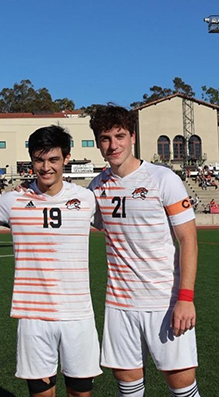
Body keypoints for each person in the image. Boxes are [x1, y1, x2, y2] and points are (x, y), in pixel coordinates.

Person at [0, 125, 102, 397]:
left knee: (81, 392)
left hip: (77, 314)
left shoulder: (85, 199)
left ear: (67, 158)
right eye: (39, 159)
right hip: (33, 316)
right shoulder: (13, 200)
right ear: (31, 160)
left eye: (53, 159)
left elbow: (122, 227)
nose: (46, 167)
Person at [88, 105, 200, 397]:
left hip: (164, 301)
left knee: (182, 387)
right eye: (105, 138)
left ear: (133, 137)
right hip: (119, 304)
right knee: (128, 387)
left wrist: (185, 298)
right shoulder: (97, 187)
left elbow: (188, 240)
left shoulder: (163, 179)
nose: (113, 145)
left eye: (120, 136)